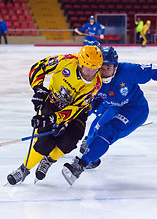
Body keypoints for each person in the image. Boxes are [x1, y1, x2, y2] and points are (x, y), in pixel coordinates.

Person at [62, 46, 157, 186]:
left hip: (134, 109)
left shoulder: (127, 71)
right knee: (93, 135)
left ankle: (80, 165)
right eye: (101, 68)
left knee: (107, 130)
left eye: (108, 68)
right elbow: (89, 102)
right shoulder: (93, 78)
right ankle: (92, 155)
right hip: (112, 106)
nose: (104, 72)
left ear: (115, 66)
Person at [7, 45, 103, 185]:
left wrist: (55, 119)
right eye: (88, 69)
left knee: (69, 141)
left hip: (76, 113)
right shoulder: (66, 61)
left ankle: (48, 160)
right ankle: (23, 169)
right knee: (45, 140)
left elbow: (76, 108)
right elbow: (38, 67)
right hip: (52, 102)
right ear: (80, 63)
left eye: (94, 70)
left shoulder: (96, 84)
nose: (90, 73)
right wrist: (38, 89)